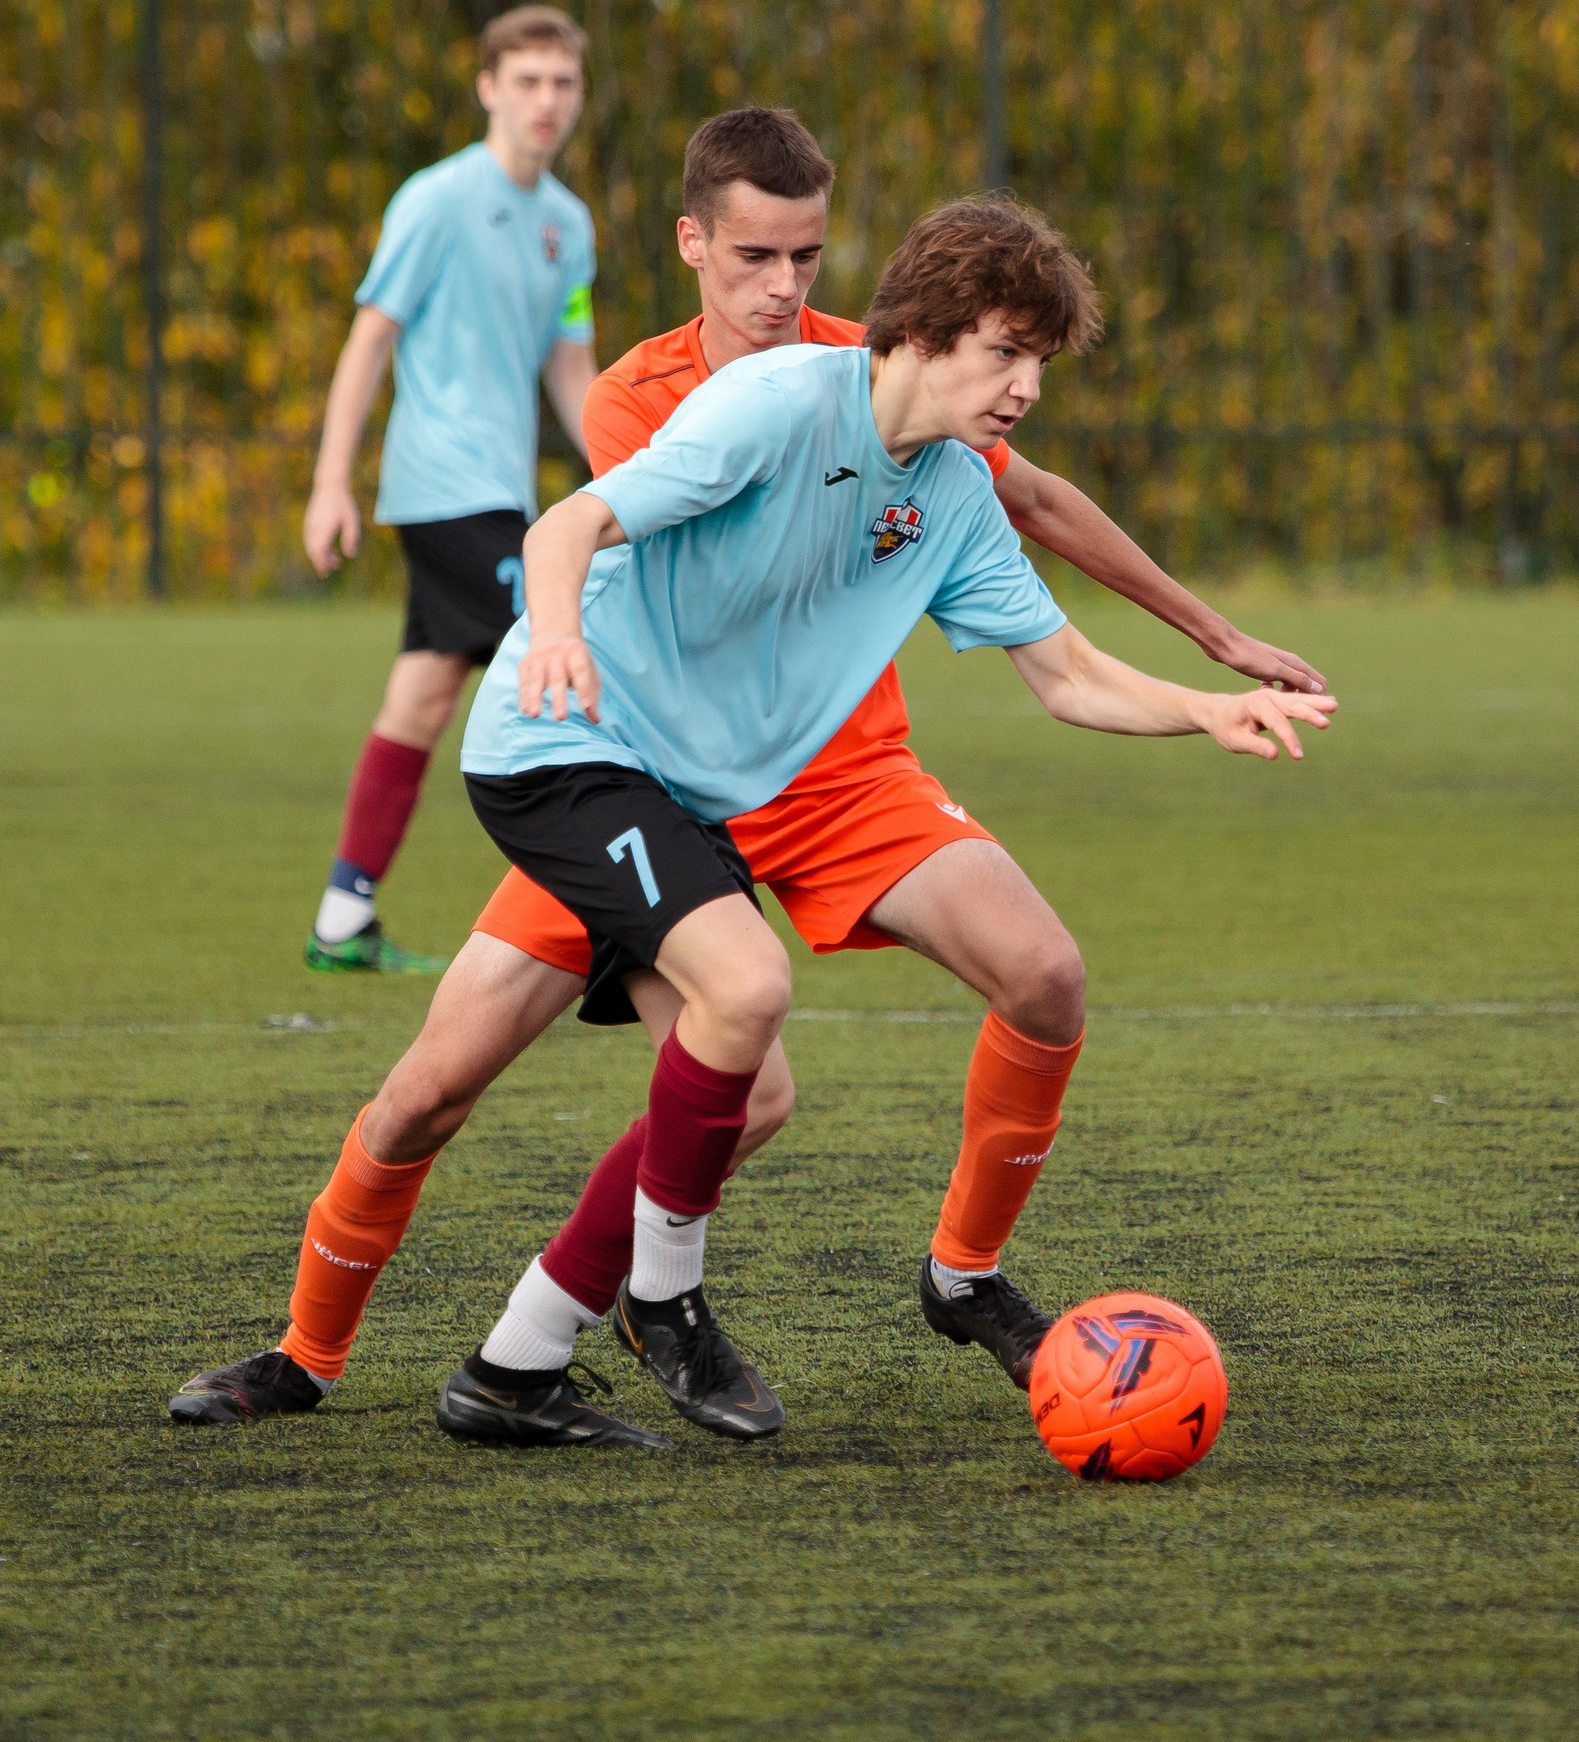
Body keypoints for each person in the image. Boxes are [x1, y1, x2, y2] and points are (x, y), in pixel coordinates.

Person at [172, 115, 1325, 1435]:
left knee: (846, 1040)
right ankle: (323, 1350)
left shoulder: (940, 463)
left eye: (807, 255)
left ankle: (525, 1358)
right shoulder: (730, 400)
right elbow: (573, 527)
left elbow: (1062, 666)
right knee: (442, 1082)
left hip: (772, 776)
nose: (783, 283)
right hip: (599, 756)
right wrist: (554, 637)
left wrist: (1207, 694)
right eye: (1007, 354)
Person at [300, 5, 599, 974]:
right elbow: (369, 339)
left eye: (562, 82)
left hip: (500, 495)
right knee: (569, 660)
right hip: (441, 489)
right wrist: (329, 483)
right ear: (487, 88)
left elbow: (571, 370)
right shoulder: (434, 201)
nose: (546, 100)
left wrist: (629, 479)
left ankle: (345, 913)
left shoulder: (568, 226)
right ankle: (607, 909)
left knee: (423, 698)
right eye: (527, 80)